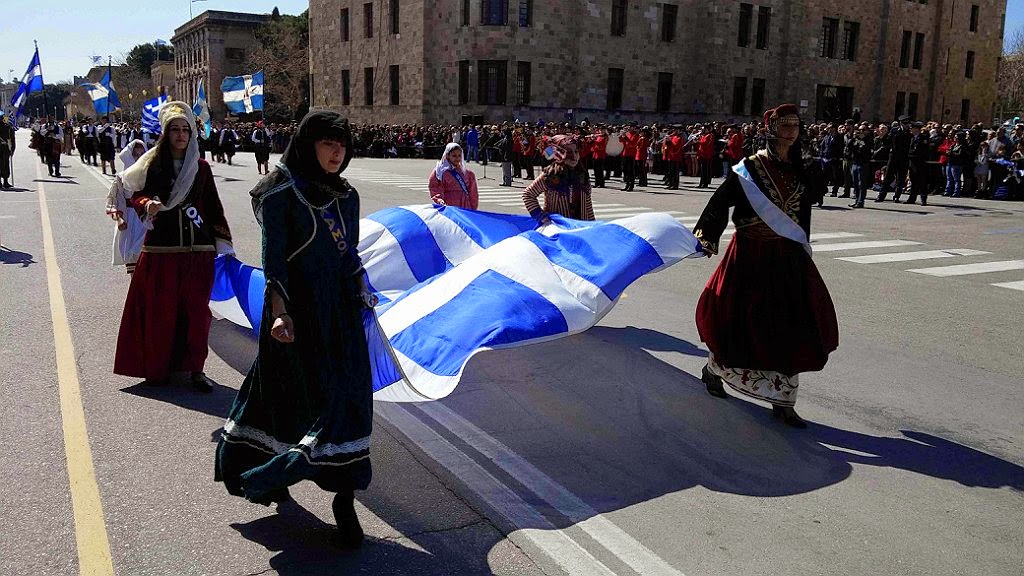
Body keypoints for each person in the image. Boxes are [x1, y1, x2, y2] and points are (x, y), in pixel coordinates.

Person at [216, 111, 376, 550]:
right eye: (328, 142)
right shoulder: (280, 193)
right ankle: (263, 472)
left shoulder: (347, 196)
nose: (337, 151)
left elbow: (349, 255)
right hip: (294, 316)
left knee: (348, 402)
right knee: (281, 401)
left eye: (342, 144)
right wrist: (281, 313)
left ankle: (345, 498)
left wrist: (361, 287)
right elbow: (275, 261)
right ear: (309, 144)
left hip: (339, 317)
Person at [691, 104, 838, 428]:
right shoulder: (751, 169)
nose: (791, 130)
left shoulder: (802, 167)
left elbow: (806, 206)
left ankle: (784, 400)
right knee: (740, 323)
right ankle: (714, 370)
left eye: (795, 125)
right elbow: (720, 201)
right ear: (770, 129)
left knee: (791, 324)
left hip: (786, 256)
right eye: (784, 125)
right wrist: (706, 237)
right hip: (750, 255)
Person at [113, 102, 233, 392]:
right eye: (175, 130)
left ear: (192, 134)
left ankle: (196, 369)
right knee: (161, 312)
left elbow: (213, 206)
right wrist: (147, 204)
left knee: (196, 313)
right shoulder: (153, 164)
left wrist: (222, 242)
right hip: (162, 251)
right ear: (166, 133)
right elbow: (135, 196)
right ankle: (159, 367)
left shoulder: (201, 168)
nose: (181, 135)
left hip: (198, 250)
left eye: (185, 130)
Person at [523, 135, 595, 223]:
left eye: (576, 151)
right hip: (558, 228)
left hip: (580, 228)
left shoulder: (582, 174)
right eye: (568, 152)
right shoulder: (550, 175)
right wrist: (540, 216)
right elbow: (528, 194)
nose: (574, 156)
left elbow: (587, 204)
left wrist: (593, 225)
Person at [104, 140, 149, 273]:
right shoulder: (121, 178)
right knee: (131, 254)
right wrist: (119, 218)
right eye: (135, 155)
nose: (138, 158)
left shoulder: (149, 175)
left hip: (145, 218)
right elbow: (113, 200)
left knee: (144, 251)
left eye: (141, 154)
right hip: (129, 218)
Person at [428, 142, 479, 209]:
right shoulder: (440, 172)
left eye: (459, 155)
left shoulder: (468, 174)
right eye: (454, 155)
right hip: (449, 205)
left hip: (465, 205)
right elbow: (435, 187)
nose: (457, 158)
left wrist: (473, 209)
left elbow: (473, 193)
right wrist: (439, 199)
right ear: (448, 156)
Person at [0, 112, 15, 189]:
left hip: (5, 148)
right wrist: (12, 149)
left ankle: (5, 182)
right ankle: (4, 182)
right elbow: (12, 139)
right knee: (5, 164)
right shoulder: (8, 127)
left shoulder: (8, 127)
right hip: (5, 148)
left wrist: (12, 149)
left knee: (5, 164)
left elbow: (12, 138)